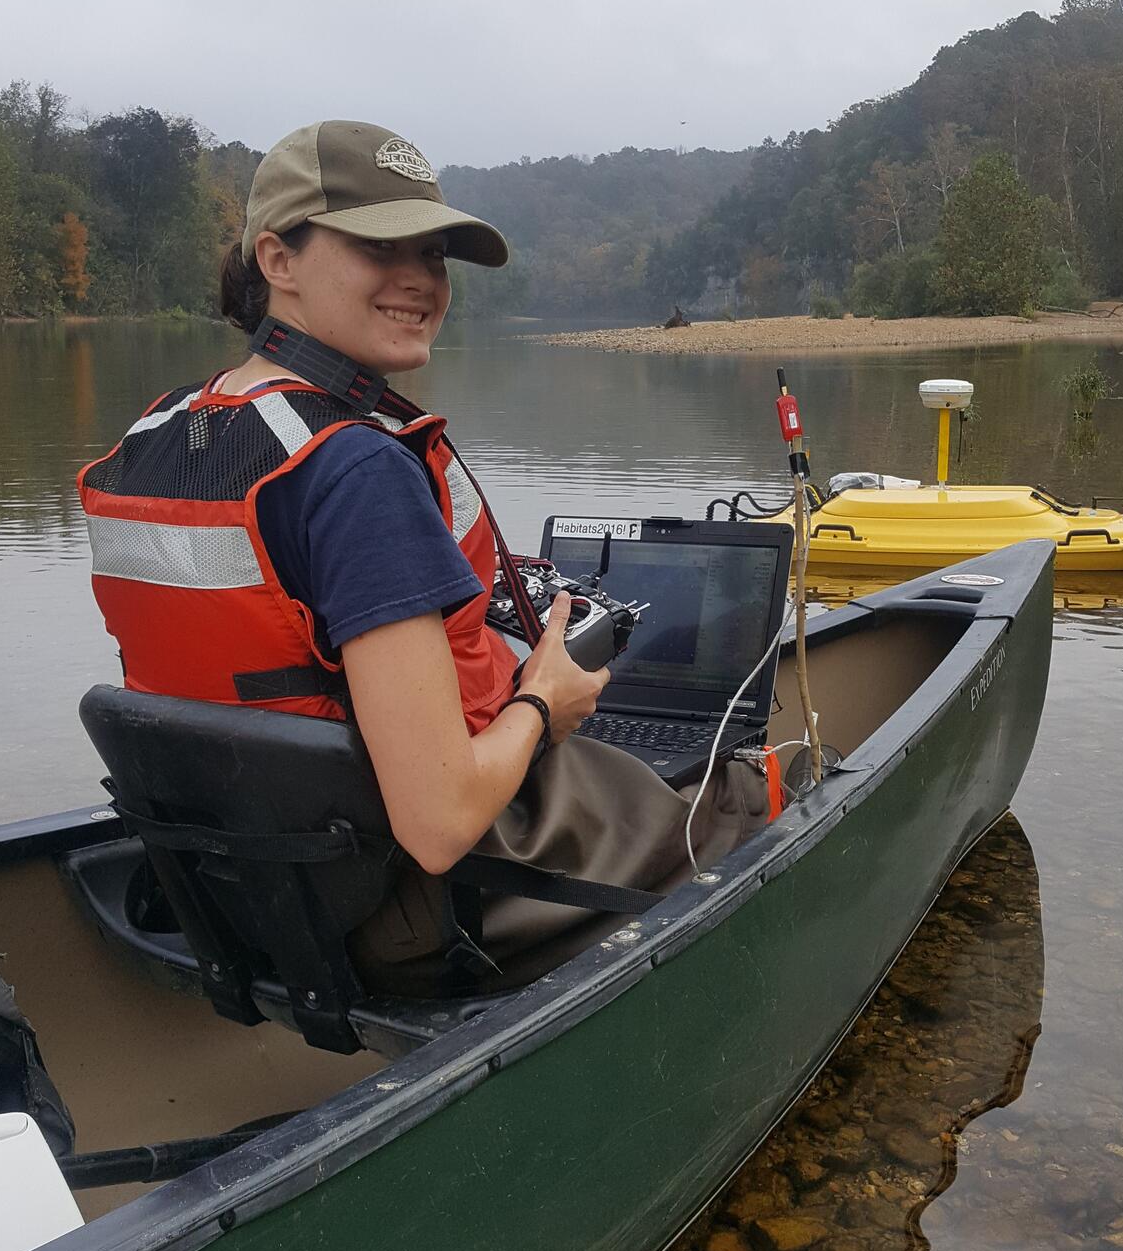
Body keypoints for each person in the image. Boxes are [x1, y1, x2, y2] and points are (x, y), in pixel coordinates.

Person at [79, 120, 768, 990]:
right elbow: (440, 823)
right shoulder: (355, 469)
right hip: (411, 906)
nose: (421, 279)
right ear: (277, 259)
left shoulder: (162, 432)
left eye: (433, 254)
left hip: (232, 890)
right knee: (735, 798)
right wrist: (542, 703)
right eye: (379, 246)